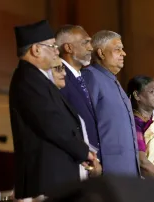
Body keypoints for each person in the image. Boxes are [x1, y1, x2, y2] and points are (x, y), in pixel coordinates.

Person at [10, 20, 95, 200]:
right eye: (52, 46)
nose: (57, 51)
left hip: (56, 177)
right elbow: (51, 123)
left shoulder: (38, 79)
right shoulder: (28, 79)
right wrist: (83, 151)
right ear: (36, 50)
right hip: (46, 178)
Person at [82, 30, 140, 177]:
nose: (123, 53)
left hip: (127, 169)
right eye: (117, 49)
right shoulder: (90, 76)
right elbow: (85, 122)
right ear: (101, 53)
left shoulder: (113, 80)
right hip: (108, 168)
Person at [47, 65, 102, 179]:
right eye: (58, 69)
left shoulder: (64, 102)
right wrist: (86, 155)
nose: (64, 73)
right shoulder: (48, 103)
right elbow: (60, 134)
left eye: (63, 69)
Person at [55, 25, 101, 160]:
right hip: (74, 160)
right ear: (68, 48)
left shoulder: (85, 79)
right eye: (85, 42)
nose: (91, 48)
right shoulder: (58, 77)